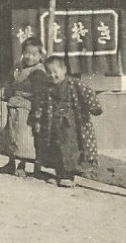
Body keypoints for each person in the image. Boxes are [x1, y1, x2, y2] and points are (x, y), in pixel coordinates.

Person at [29, 54, 102, 188]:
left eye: (55, 72)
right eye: (49, 72)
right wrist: (37, 119)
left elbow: (88, 93)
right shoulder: (47, 88)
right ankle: (59, 174)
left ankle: (68, 176)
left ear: (64, 70)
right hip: (53, 123)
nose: (52, 75)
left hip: (71, 124)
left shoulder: (74, 83)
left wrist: (95, 107)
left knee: (69, 149)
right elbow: (39, 104)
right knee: (55, 148)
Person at [0, 36, 50, 176]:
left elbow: (40, 92)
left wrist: (39, 108)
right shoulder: (17, 66)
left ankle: (23, 165)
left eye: (34, 54)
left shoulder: (39, 71)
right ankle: (11, 163)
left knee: (25, 138)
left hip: (29, 107)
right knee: (11, 134)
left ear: (40, 55)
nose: (30, 57)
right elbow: (10, 81)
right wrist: (7, 93)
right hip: (13, 104)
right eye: (27, 53)